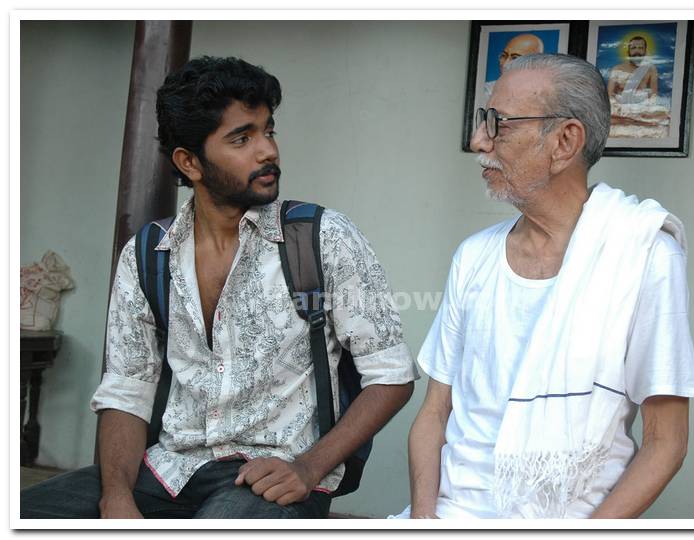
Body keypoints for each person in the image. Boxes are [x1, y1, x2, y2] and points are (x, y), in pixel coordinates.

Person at [21, 56, 418, 519]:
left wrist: (309, 469)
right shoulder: (149, 253)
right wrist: (117, 498)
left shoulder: (321, 237)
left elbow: (390, 375)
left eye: (268, 130)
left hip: (272, 472)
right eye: (242, 138)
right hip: (169, 470)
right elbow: (127, 390)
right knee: (29, 513)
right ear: (189, 162)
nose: (268, 150)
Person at [396, 53, 694, 519]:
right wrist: (422, 520)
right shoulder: (474, 257)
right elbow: (434, 414)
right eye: (483, 122)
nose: (479, 141)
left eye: (499, 124)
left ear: (564, 141)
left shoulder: (644, 255)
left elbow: (667, 443)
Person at [605, 35, 670, 139]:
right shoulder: (617, 69)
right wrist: (621, 110)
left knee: (665, 116)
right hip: (620, 111)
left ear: (645, 51)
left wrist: (643, 111)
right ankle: (630, 120)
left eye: (640, 48)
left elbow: (653, 96)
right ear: (628, 51)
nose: (637, 51)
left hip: (642, 110)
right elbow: (609, 97)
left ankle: (632, 120)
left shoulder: (650, 69)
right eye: (634, 48)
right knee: (604, 116)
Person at [483, 33, 544, 98]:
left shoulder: (542, 94)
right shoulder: (487, 91)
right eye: (504, 56)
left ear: (534, 63)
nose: (504, 64)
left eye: (515, 58)